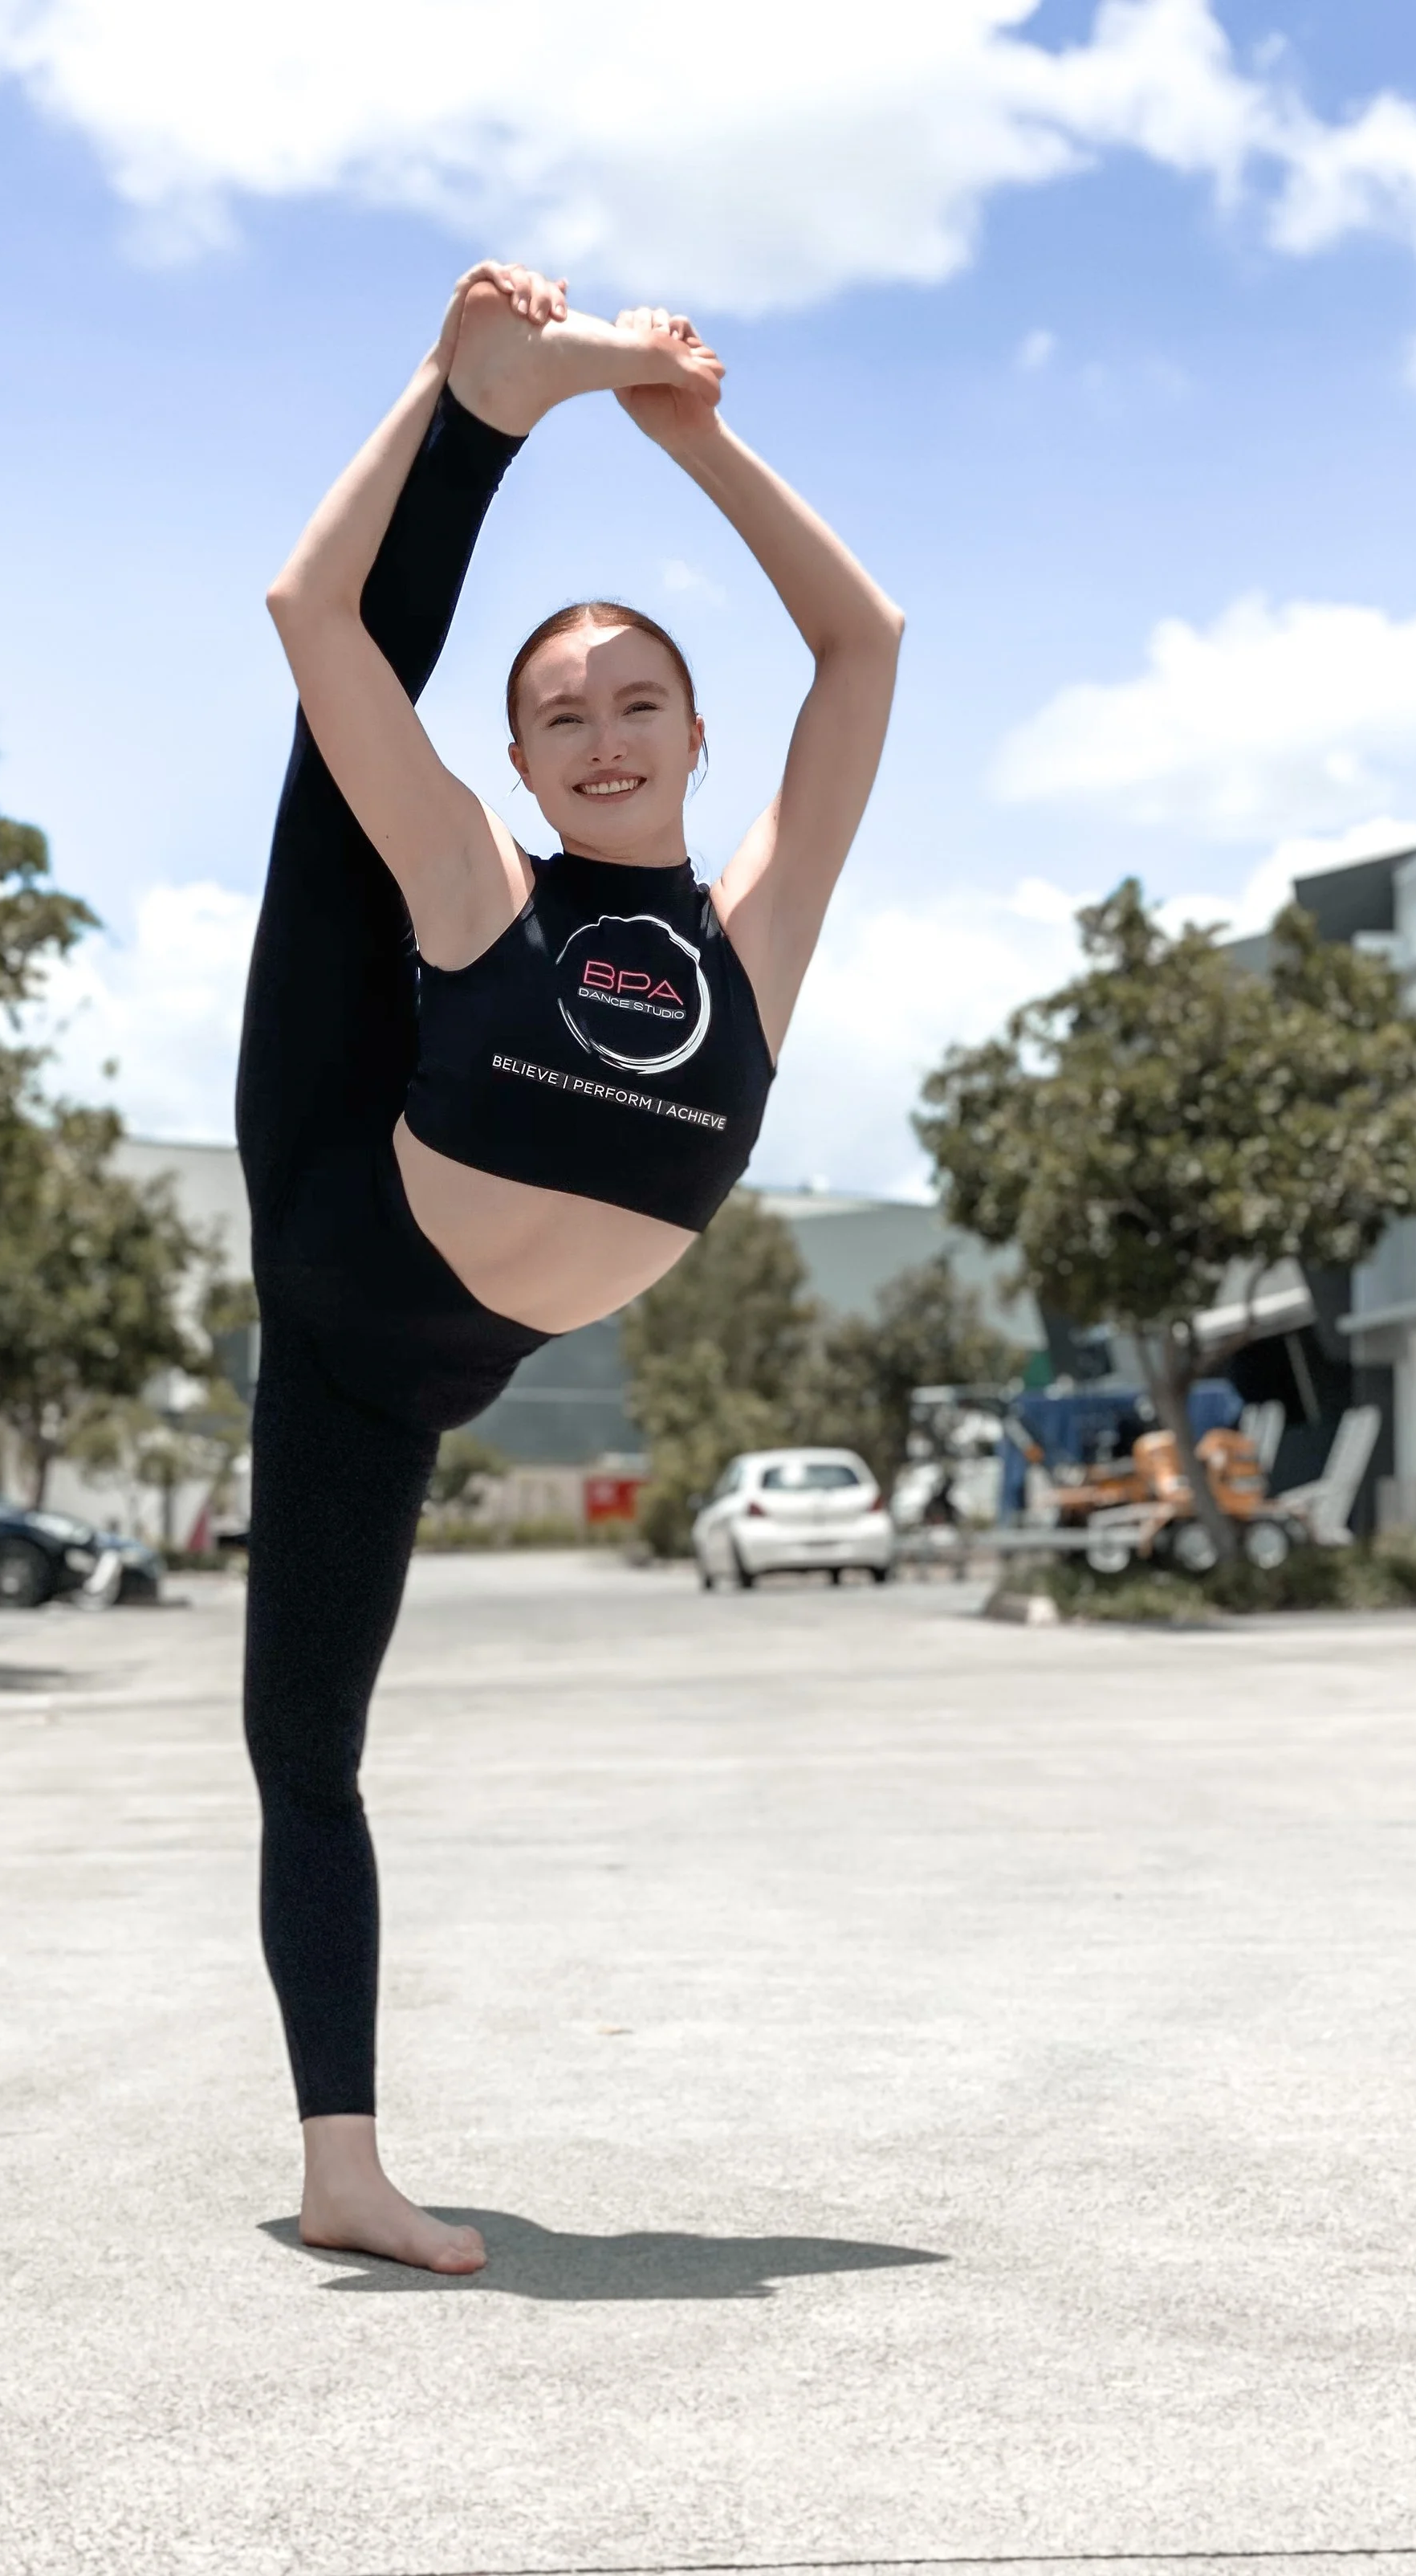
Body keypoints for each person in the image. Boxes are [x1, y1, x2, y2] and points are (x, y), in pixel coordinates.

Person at [241, 259, 903, 2275]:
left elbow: (858, 642)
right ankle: (483, 400)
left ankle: (496, 389)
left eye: (634, 703)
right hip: (342, 1246)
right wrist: (439, 388)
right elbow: (304, 617)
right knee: (328, 782)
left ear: (696, 731)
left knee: (304, 1750)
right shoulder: (479, 884)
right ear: (520, 764)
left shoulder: (752, 939)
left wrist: (691, 440)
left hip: (439, 1362)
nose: (600, 733)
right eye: (558, 715)